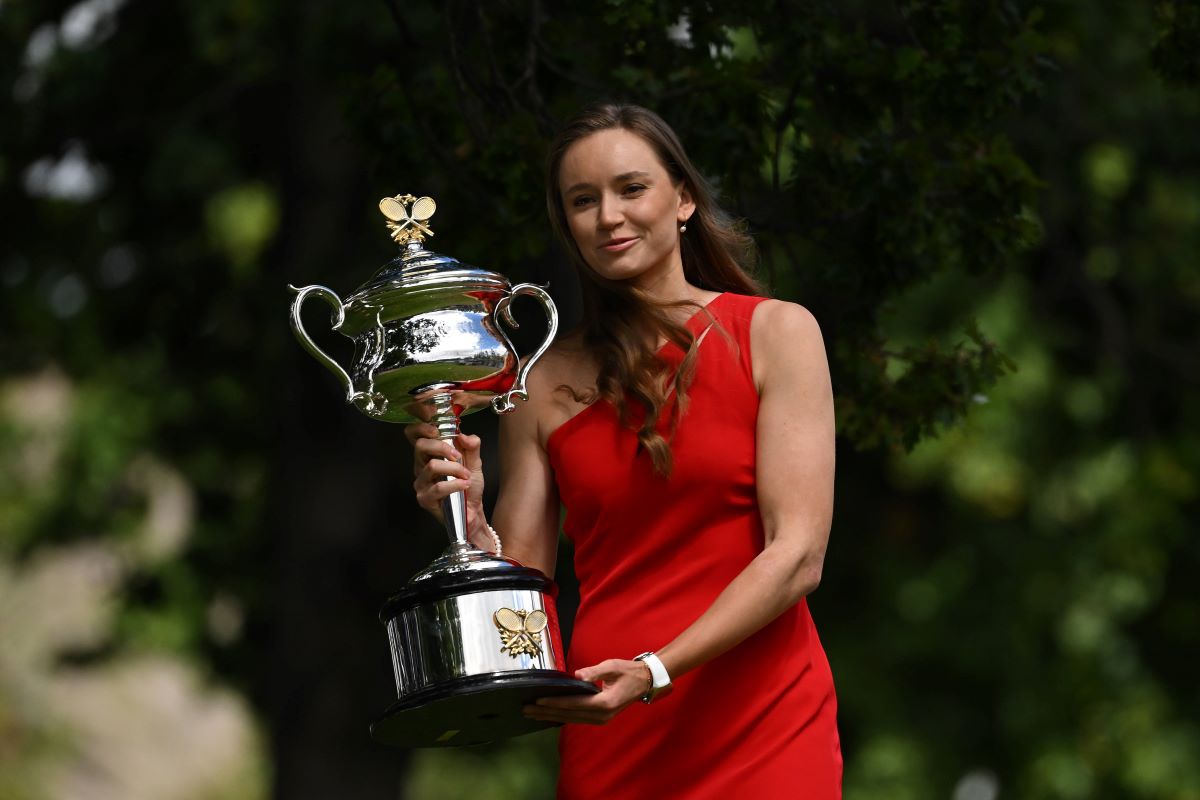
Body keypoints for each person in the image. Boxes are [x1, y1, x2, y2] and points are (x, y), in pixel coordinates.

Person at [406, 103, 841, 799]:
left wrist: (655, 670)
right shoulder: (539, 383)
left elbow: (797, 557)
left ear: (684, 200)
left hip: (763, 718)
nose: (608, 216)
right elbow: (526, 592)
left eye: (630, 189)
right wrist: (468, 522)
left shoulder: (777, 334)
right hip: (610, 725)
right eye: (584, 201)